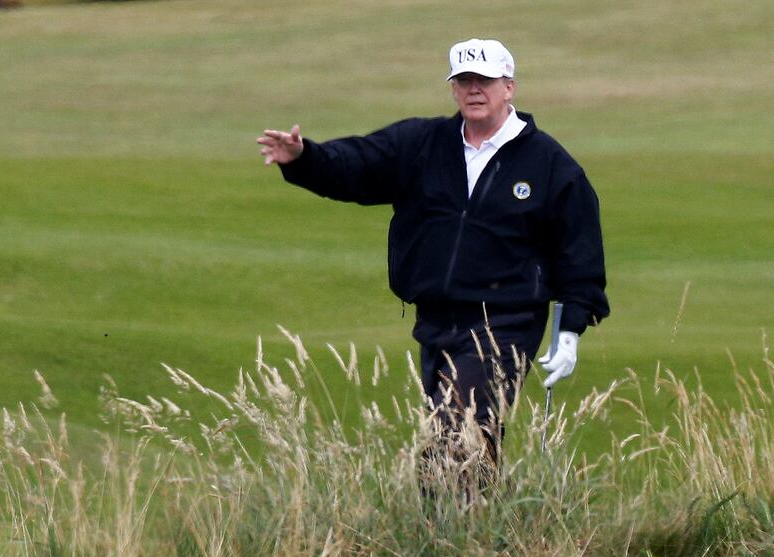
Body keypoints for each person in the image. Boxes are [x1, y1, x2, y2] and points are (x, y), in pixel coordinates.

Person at [257, 38, 609, 496]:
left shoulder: (548, 164)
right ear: (453, 89)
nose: (473, 89)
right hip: (436, 320)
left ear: (509, 87)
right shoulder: (423, 144)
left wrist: (571, 330)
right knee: (465, 430)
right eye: (463, 80)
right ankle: (474, 542)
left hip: (505, 321)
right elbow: (359, 165)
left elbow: (578, 248)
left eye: (484, 80)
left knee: (457, 429)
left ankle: (445, 538)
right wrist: (305, 159)